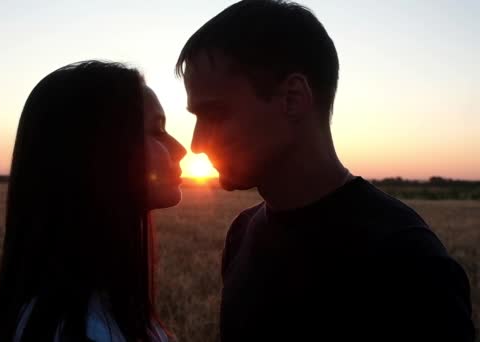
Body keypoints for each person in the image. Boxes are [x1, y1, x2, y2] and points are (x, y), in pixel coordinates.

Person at [175, 1, 475, 341]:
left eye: (214, 115)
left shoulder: (408, 263)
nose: (196, 144)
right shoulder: (242, 232)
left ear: (293, 98)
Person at [0, 60, 186, 342]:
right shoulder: (84, 330)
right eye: (156, 131)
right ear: (101, 153)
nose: (180, 149)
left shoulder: (96, 306)